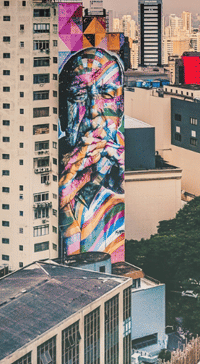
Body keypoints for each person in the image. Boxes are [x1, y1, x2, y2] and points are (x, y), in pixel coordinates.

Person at [58, 47, 125, 262]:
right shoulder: (49, 164)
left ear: (120, 108)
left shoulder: (123, 165)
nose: (93, 109)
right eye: (79, 95)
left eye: (107, 95)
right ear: (61, 110)